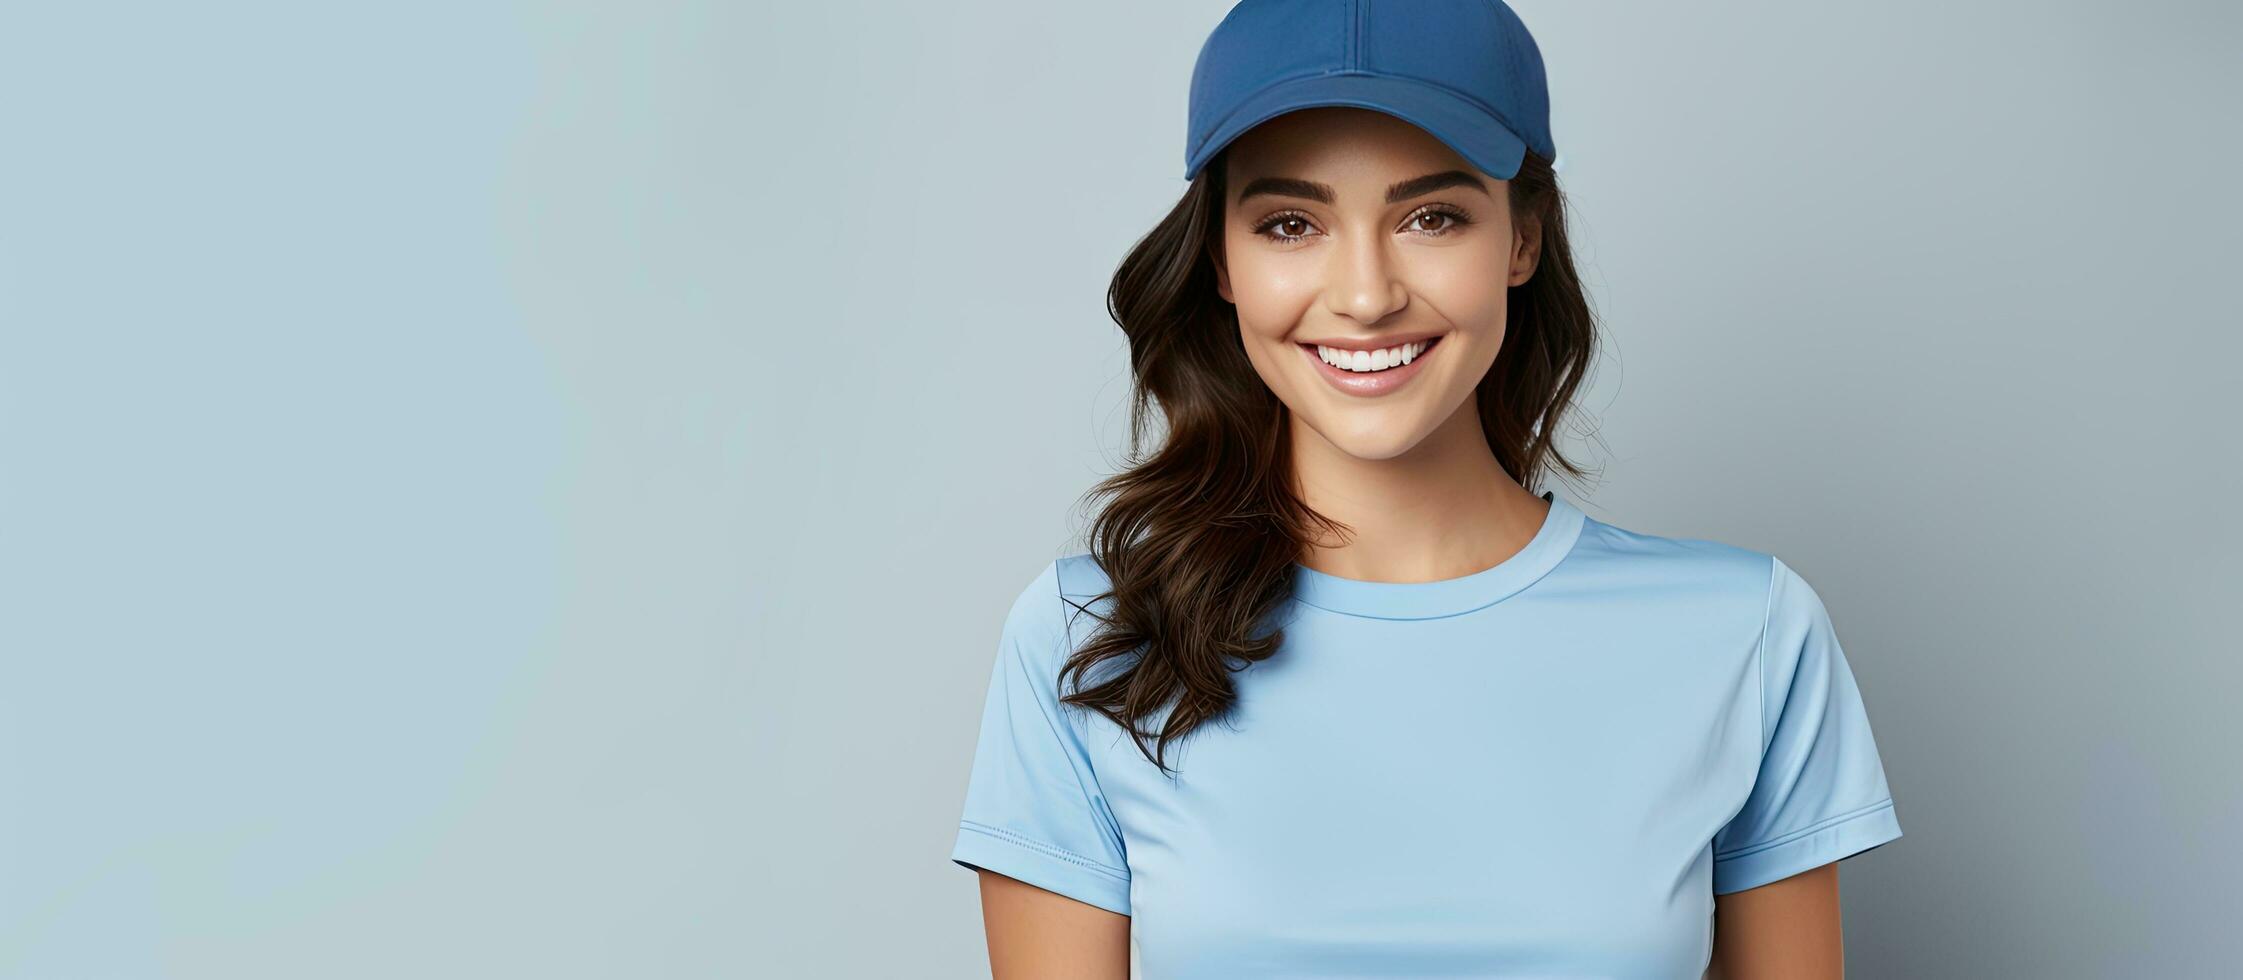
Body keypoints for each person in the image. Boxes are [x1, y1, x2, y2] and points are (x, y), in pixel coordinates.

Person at [948, 1, 1902, 976]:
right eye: (1288, 223)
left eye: (1430, 217)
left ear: (1521, 240)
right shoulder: (1087, 639)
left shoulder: (1746, 632)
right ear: (1222, 262)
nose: (1364, 294)